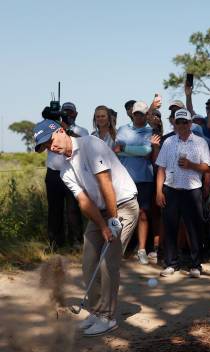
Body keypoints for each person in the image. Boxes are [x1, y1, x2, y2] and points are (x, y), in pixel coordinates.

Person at [34, 119, 139, 336]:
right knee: (89, 261)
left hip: (123, 205)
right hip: (100, 211)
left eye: (50, 141)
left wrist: (112, 220)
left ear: (61, 131)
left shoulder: (91, 144)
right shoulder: (64, 169)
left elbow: (105, 184)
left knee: (108, 262)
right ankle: (95, 311)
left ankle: (108, 318)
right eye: (46, 146)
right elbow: (84, 201)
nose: (51, 147)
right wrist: (102, 226)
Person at [156, 109, 210, 278]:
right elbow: (161, 168)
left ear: (190, 124)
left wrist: (191, 165)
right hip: (171, 190)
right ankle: (171, 263)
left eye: (184, 122)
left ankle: (195, 265)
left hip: (192, 190)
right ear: (174, 123)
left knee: (194, 229)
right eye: (178, 122)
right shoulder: (168, 142)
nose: (181, 125)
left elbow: (207, 168)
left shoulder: (200, 143)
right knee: (170, 228)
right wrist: (158, 191)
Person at [115, 100, 156, 265]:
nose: (138, 116)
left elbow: (146, 151)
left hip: (145, 178)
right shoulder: (123, 129)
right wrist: (132, 151)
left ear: (147, 115)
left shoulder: (149, 131)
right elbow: (117, 151)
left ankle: (142, 249)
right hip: (125, 179)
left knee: (143, 214)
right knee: (122, 215)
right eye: (136, 113)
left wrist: (126, 150)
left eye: (142, 114)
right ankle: (119, 248)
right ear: (132, 114)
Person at [44, 101, 88, 250]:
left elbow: (82, 145)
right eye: (64, 112)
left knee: (73, 209)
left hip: (72, 174)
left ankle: (76, 242)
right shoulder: (51, 128)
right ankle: (55, 241)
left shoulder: (82, 130)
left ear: (76, 114)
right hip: (53, 174)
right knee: (54, 209)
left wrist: (67, 130)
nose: (68, 115)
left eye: (70, 112)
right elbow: (41, 143)